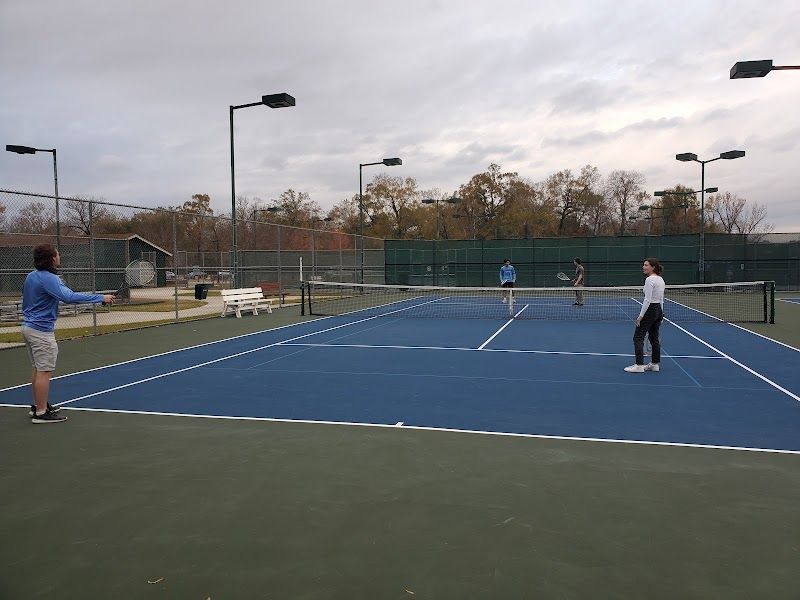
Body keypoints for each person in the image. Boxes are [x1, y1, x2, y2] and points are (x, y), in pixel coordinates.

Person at [22, 244, 115, 423]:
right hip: (41, 331)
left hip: (29, 328)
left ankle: (38, 405)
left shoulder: (31, 276)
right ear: (52, 258)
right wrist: (101, 297)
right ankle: (41, 413)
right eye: (57, 254)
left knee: (38, 369)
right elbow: (69, 297)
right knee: (44, 371)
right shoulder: (49, 278)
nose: (59, 257)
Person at [624, 258, 664, 373]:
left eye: (646, 265)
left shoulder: (650, 280)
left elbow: (647, 300)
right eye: (643, 265)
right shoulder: (660, 279)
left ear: (653, 267)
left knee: (638, 337)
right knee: (654, 338)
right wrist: (661, 315)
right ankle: (655, 364)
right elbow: (661, 299)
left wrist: (641, 316)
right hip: (657, 311)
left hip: (650, 310)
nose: (643, 267)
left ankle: (639, 365)